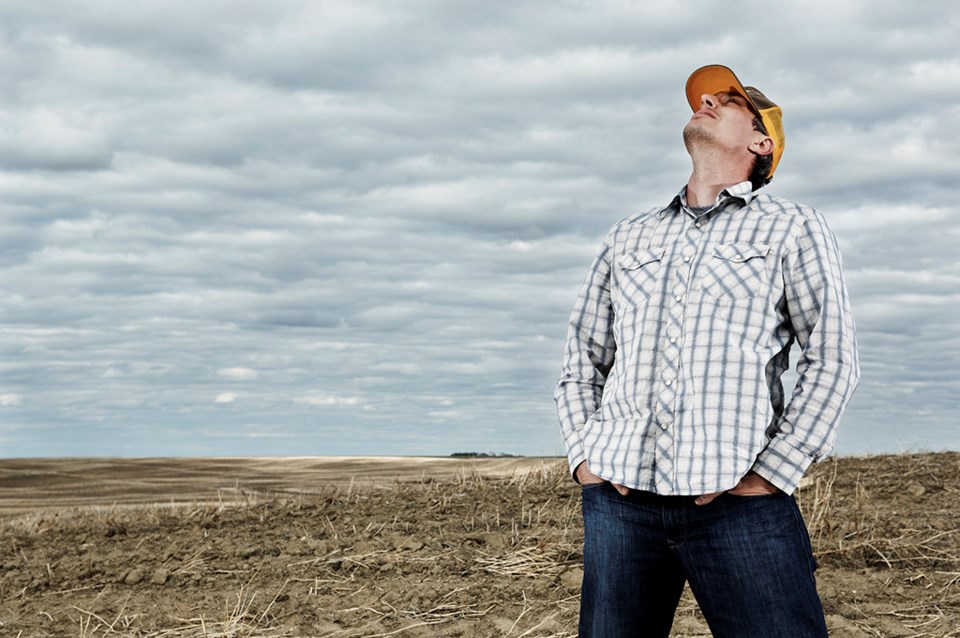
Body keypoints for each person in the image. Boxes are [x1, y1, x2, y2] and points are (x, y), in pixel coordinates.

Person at [554, 64, 860, 637]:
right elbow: (582, 359)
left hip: (741, 504)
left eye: (730, 100)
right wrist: (586, 460)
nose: (709, 102)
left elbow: (833, 357)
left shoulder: (794, 228)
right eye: (705, 97)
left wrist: (772, 474)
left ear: (761, 141)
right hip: (620, 505)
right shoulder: (627, 236)